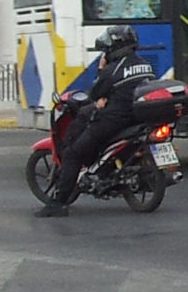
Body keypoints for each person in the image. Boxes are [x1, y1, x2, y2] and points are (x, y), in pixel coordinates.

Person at [43, 27, 157, 212]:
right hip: (137, 119)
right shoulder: (145, 64)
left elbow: (94, 94)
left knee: (73, 154)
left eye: (107, 50)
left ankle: (58, 203)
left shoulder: (112, 70)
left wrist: (101, 69)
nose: (105, 53)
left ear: (115, 48)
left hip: (113, 121)